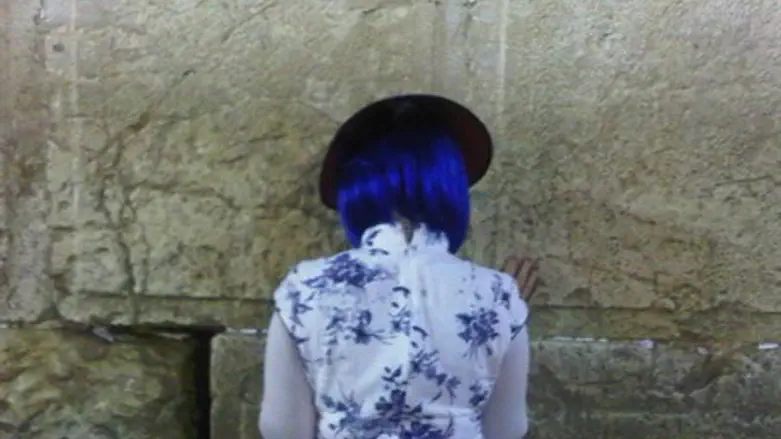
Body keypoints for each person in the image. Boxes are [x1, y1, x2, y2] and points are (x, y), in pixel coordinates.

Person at [259, 94, 540, 439]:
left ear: (355, 189)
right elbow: (507, 430)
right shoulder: (497, 296)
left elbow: (282, 429)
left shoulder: (304, 290)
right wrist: (501, 311)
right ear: (451, 186)